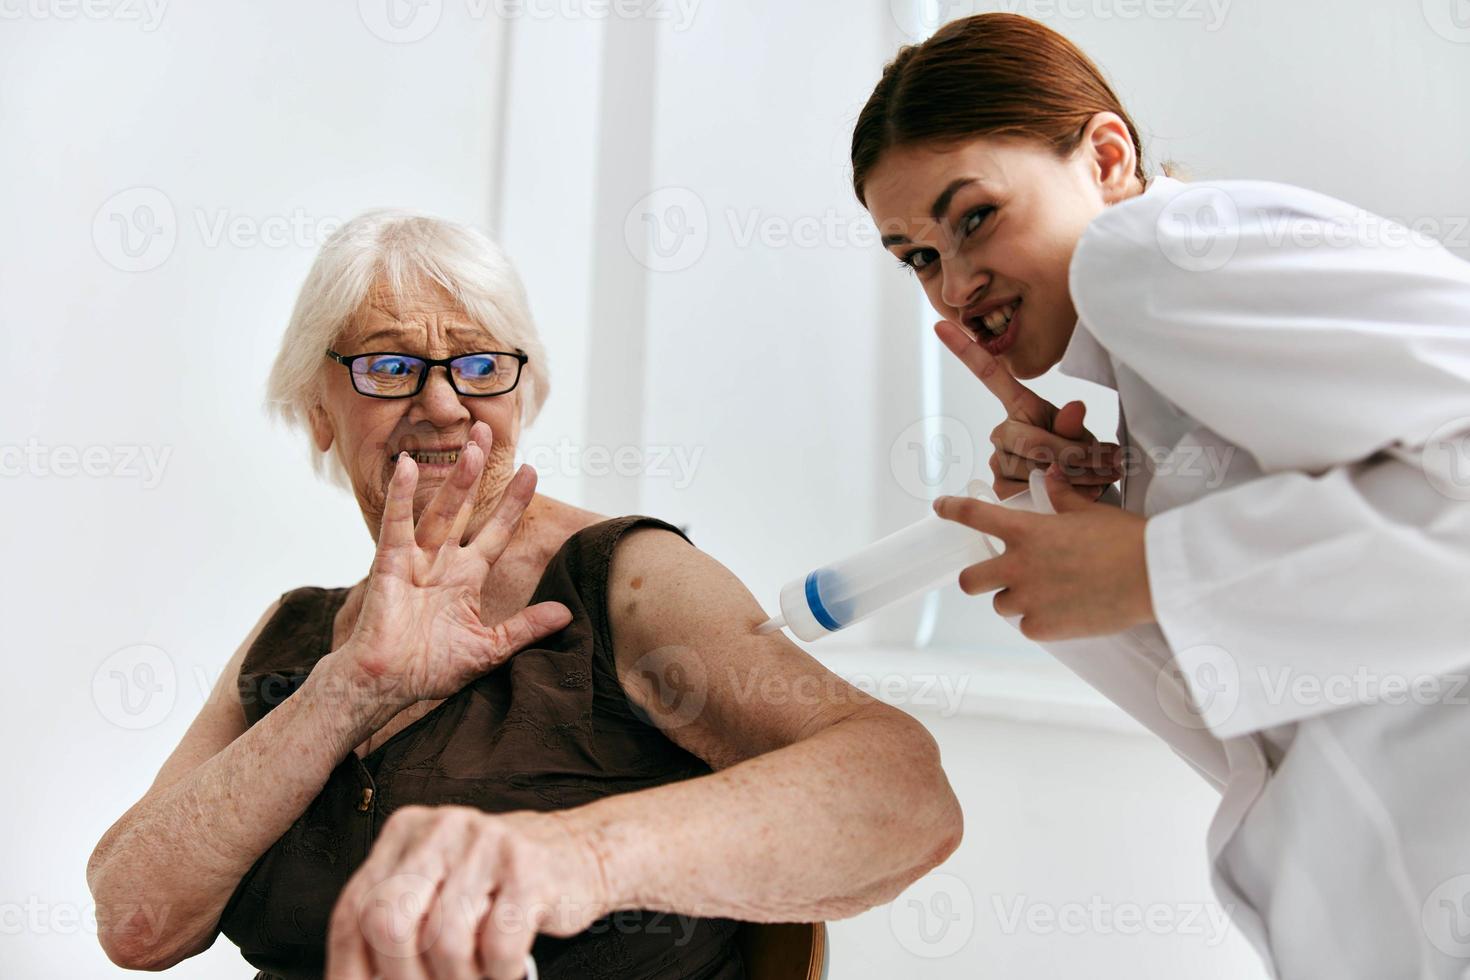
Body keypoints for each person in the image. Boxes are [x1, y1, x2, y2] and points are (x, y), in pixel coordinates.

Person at [85, 210, 963, 979]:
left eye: (477, 365)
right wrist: (354, 685)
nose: (442, 403)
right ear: (318, 406)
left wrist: (571, 857)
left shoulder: (626, 579)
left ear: (523, 390)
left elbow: (904, 797)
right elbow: (137, 923)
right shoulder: (296, 634)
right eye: (390, 367)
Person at [850, 12, 1470, 979]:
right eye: (917, 257)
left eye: (973, 217)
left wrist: (1155, 566)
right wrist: (1089, 525)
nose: (956, 283)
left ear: (1105, 157)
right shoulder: (1150, 387)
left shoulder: (1154, 251)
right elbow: (1267, 709)